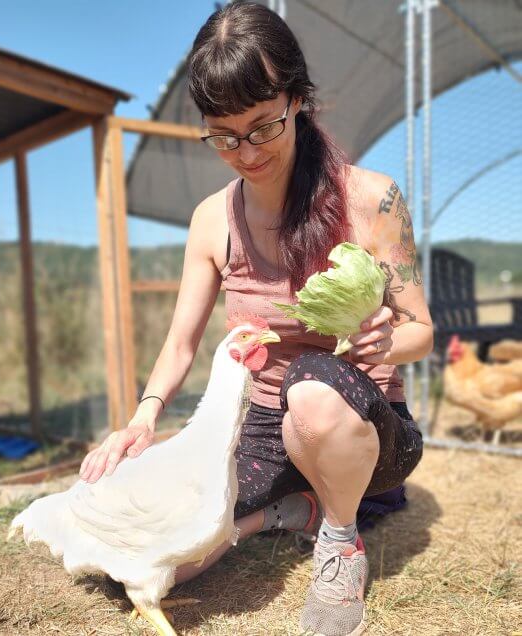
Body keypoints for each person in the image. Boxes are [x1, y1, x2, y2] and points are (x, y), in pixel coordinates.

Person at [79, 3, 432, 635]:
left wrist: (385, 341)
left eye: (262, 126)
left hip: (363, 425)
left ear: (298, 100)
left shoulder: (372, 199)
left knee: (314, 384)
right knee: (148, 552)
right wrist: (143, 417)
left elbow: (421, 332)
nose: (245, 151)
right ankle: (291, 511)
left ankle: (340, 542)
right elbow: (181, 341)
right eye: (224, 135)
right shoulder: (212, 220)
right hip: (265, 430)